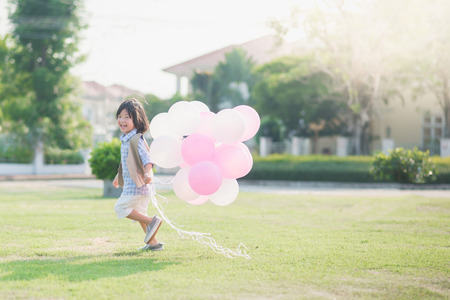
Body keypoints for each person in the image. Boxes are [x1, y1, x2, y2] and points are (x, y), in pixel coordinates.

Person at [112, 98, 163, 251]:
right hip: (137, 185)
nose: (122, 120)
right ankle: (154, 244)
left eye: (127, 117)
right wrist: (118, 176)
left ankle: (151, 221)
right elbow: (127, 161)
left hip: (137, 185)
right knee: (139, 212)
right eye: (120, 116)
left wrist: (148, 172)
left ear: (137, 119)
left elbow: (148, 159)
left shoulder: (136, 139)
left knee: (120, 208)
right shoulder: (127, 139)